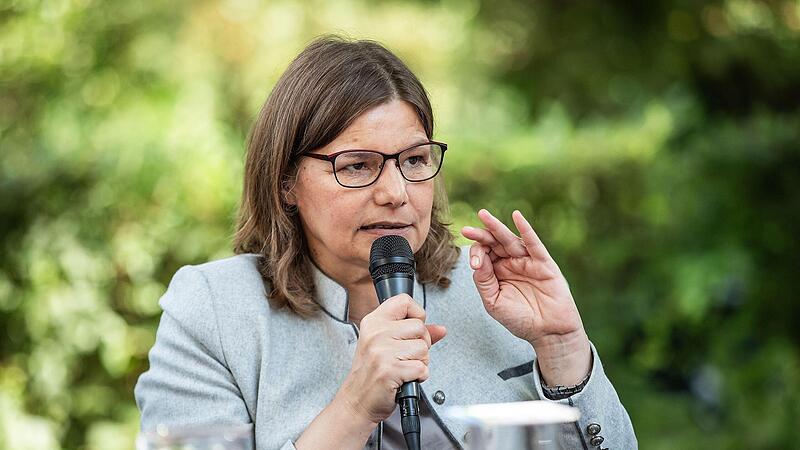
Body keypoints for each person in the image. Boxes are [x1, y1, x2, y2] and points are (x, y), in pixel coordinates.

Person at [134, 36, 637, 449]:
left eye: (414, 161)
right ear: (286, 181)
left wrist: (562, 346)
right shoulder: (213, 311)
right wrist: (353, 407)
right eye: (357, 166)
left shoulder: (495, 289)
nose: (396, 194)